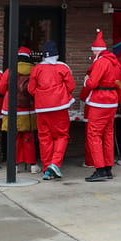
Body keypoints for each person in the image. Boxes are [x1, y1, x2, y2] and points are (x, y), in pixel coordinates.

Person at [27, 40, 75, 181]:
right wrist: (60, 94)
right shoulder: (63, 68)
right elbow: (71, 86)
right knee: (61, 135)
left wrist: (42, 95)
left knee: (44, 137)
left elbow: (31, 89)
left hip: (42, 108)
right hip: (60, 107)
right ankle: (55, 163)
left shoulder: (37, 69)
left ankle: (47, 169)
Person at [81, 30, 121, 182]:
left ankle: (99, 169)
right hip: (111, 101)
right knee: (108, 134)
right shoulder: (115, 62)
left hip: (99, 101)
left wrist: (86, 80)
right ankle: (107, 167)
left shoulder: (100, 62)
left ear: (96, 51)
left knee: (94, 134)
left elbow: (92, 83)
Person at [0, 46, 38, 172]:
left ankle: (14, 165)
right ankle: (32, 165)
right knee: (28, 137)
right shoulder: (34, 70)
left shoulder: (10, 70)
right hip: (29, 109)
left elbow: (1, 89)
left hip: (12, 108)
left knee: (14, 138)